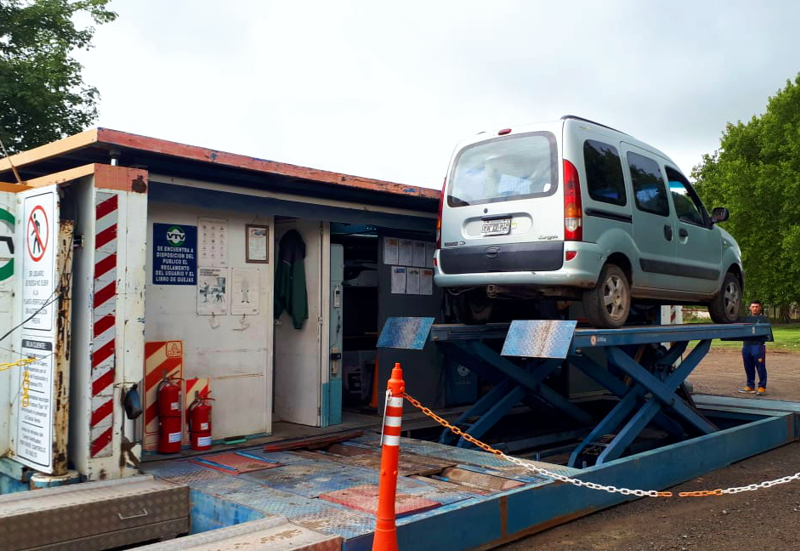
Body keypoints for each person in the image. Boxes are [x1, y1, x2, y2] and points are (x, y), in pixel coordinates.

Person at [738, 300, 769, 396]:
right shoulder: (745, 319)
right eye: (753, 306)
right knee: (748, 366)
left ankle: (762, 387)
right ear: (750, 308)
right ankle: (750, 385)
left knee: (760, 367)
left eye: (757, 307)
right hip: (746, 345)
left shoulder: (763, 319)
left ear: (760, 308)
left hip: (758, 346)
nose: (755, 308)